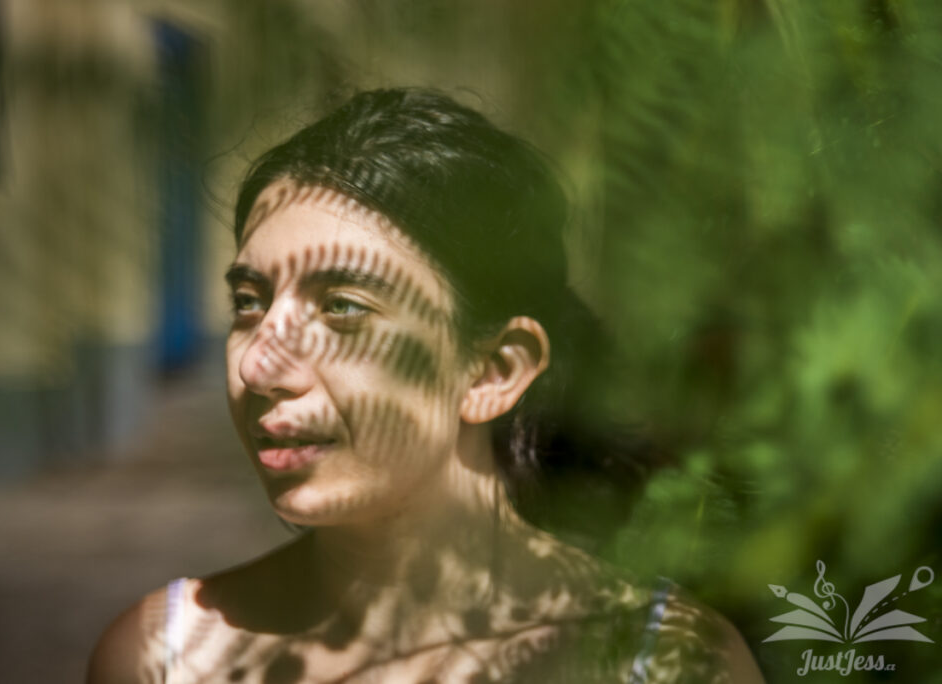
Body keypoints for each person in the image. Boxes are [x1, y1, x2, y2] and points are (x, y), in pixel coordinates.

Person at [87, 88, 764, 683]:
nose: (259, 366)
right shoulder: (163, 658)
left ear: (494, 371)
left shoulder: (668, 662)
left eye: (343, 308)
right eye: (249, 302)